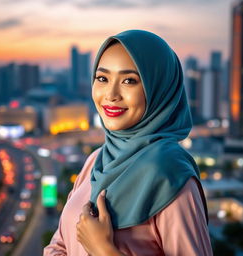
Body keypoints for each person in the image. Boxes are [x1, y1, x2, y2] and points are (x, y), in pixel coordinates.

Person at [44, 30, 213, 256]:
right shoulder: (96, 160)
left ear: (158, 90)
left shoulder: (171, 175)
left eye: (129, 81)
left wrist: (103, 250)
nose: (111, 94)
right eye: (102, 78)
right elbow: (59, 246)